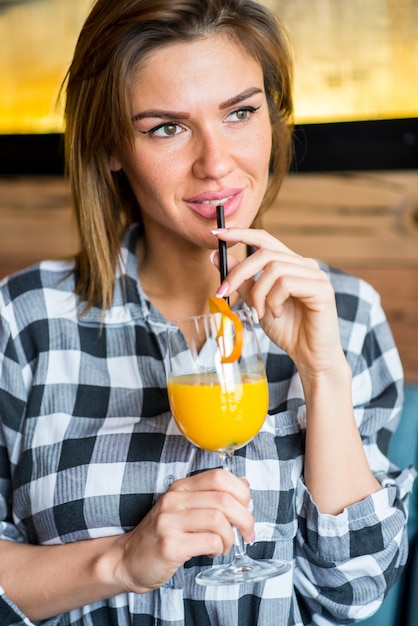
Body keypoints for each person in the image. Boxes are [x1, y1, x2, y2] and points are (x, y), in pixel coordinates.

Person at [0, 0, 415, 624]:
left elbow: (355, 591)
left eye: (240, 113)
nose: (216, 163)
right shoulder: (24, 318)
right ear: (113, 146)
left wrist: (322, 372)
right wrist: (120, 561)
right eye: (167, 127)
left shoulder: (345, 313)